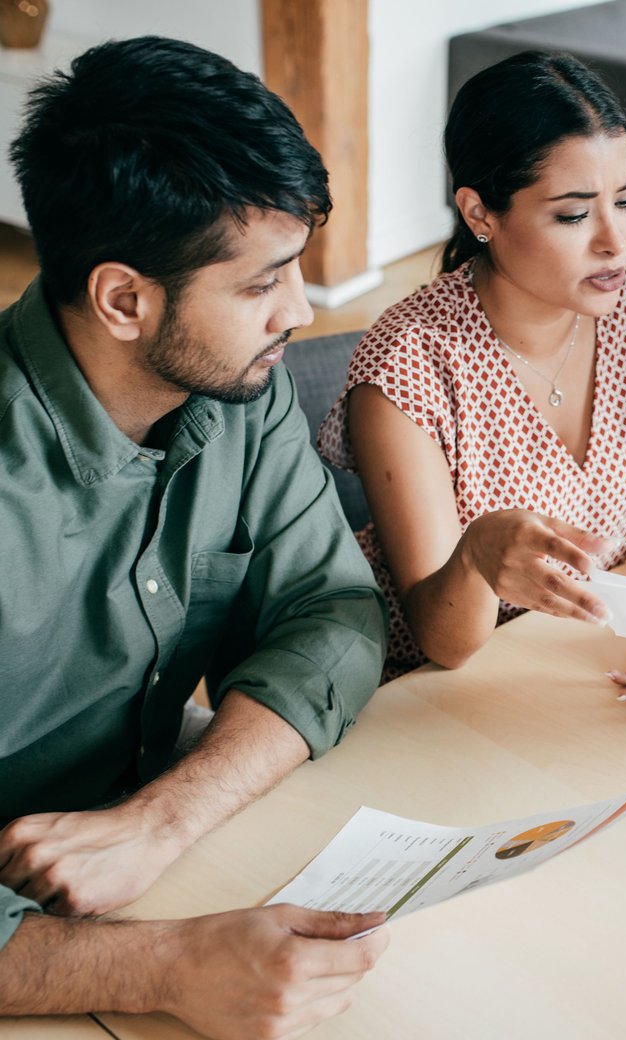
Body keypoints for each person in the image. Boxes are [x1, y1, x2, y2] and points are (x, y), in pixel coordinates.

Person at [0, 36, 390, 1036]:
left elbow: (332, 610)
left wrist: (161, 819)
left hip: (157, 857)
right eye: (262, 284)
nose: (298, 311)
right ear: (124, 299)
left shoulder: (235, 388)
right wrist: (164, 966)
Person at [320, 51, 626, 715]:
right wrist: (476, 558)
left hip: (570, 658)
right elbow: (442, 642)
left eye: (625, 200)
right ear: (480, 213)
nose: (615, 241)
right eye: (573, 215)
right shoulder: (407, 362)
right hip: (419, 691)